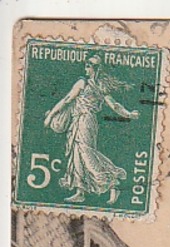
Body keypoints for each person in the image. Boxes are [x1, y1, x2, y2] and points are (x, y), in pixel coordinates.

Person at [44, 56, 139, 204]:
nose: (85, 68)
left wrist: (50, 116)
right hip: (79, 121)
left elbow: (67, 100)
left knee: (86, 153)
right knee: (77, 155)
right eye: (86, 65)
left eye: (88, 66)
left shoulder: (86, 84)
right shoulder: (95, 85)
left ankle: (112, 181)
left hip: (85, 121)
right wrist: (129, 114)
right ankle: (80, 191)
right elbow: (68, 99)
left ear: (96, 69)